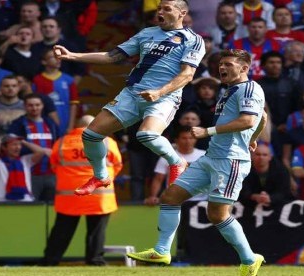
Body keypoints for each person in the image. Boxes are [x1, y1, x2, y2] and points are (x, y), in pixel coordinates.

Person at [127, 49, 267, 276]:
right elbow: (262, 118)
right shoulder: (229, 90)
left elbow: (250, 119)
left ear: (244, 68)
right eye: (221, 64)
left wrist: (208, 130)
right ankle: (162, 250)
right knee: (171, 196)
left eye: (229, 64)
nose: (222, 68)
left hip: (230, 161)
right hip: (211, 157)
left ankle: (250, 258)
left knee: (217, 215)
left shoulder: (250, 88)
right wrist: (253, 138)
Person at [53, 0, 205, 195]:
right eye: (159, 8)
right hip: (132, 94)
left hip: (164, 97)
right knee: (90, 135)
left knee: (146, 135)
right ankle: (100, 176)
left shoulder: (192, 39)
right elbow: (111, 56)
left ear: (182, 13)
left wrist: (159, 92)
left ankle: (177, 161)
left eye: (167, 9)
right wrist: (72, 56)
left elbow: (187, 75)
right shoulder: (146, 33)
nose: (160, 12)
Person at [42, 115, 122, 266]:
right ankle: (95, 260)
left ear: (77, 125)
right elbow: (117, 165)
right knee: (96, 231)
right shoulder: (107, 142)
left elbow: (54, 166)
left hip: (70, 195)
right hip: (100, 196)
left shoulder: (62, 143)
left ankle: (50, 261)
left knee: (62, 230)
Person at [144, 125, 206, 206]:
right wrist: (153, 196)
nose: (188, 141)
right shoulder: (167, 156)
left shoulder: (205, 155)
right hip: (174, 200)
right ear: (176, 140)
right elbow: (158, 179)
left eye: (191, 138)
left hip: (201, 200)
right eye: (184, 138)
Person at [0, 134, 49, 202]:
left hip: (25, 200)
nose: (18, 147)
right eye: (14, 144)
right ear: (4, 147)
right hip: (2, 201)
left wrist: (24, 142)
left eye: (20, 145)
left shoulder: (24, 160)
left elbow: (40, 152)